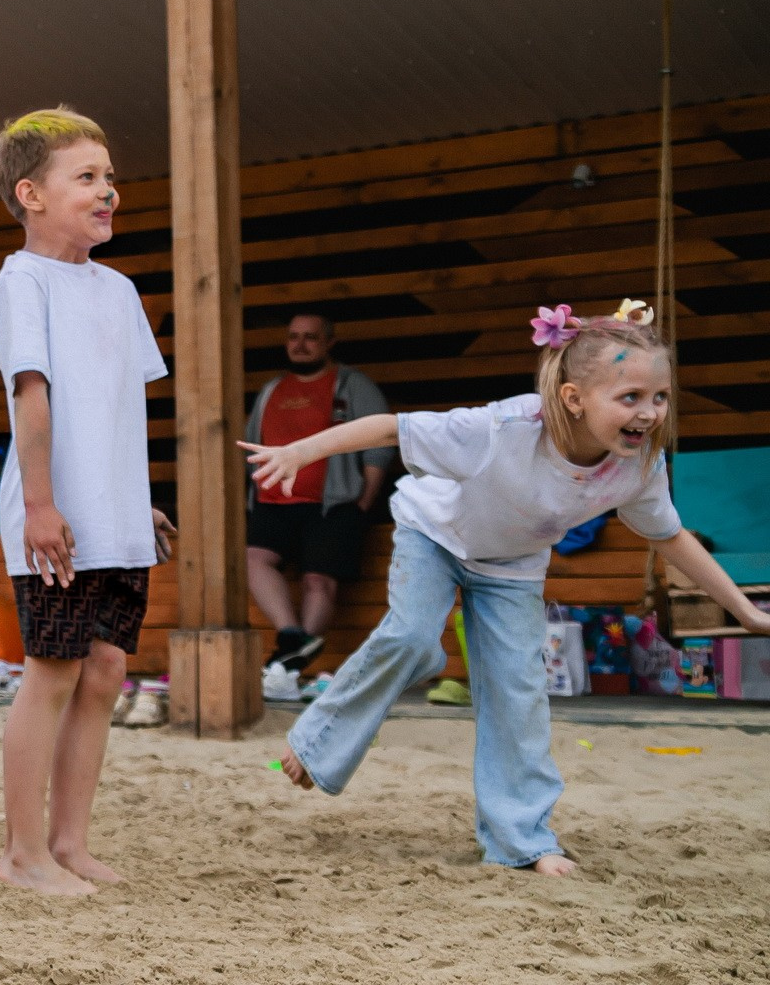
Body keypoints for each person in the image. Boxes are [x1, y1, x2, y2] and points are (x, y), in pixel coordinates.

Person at [252, 300, 770, 873]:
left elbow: (671, 538)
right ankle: (316, 741)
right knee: (412, 638)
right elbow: (390, 428)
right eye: (630, 398)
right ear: (574, 398)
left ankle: (523, 840)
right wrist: (300, 451)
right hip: (436, 536)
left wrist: (744, 611)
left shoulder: (638, 465)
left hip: (512, 568)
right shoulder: (502, 428)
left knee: (518, 695)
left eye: (660, 397)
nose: (649, 413)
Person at [0, 107, 174, 898]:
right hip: (51, 518)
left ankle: (68, 842)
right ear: (31, 193)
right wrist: (39, 505)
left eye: (110, 178)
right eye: (87, 178)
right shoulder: (21, 280)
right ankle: (22, 851)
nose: (108, 192)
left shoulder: (120, 289)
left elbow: (122, 410)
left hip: (117, 518)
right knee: (52, 669)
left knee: (105, 672)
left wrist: (141, 504)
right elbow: (34, 395)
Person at [244, 310, 390, 682]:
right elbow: (251, 446)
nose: (301, 344)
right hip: (272, 502)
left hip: (334, 505)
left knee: (318, 582)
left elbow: (379, 447)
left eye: (310, 337)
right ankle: (293, 638)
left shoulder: (353, 385)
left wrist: (362, 503)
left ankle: (288, 666)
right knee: (254, 560)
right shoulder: (272, 389)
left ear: (329, 343)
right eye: (294, 337)